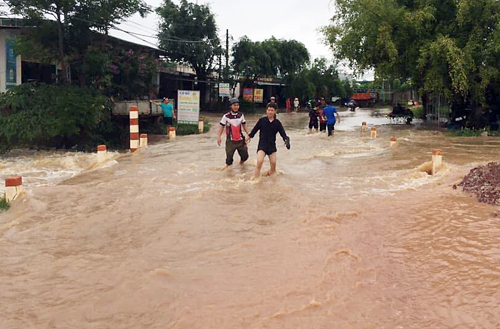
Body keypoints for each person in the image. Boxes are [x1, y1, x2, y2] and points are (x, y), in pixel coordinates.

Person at [247, 102, 290, 179]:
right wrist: (249, 137)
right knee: (259, 162)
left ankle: (271, 179)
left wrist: (286, 140)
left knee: (273, 164)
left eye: (272, 110)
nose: (270, 112)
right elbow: (254, 130)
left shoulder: (277, 123)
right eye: (269, 110)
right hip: (262, 145)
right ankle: (255, 178)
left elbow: (283, 134)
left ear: (275, 111)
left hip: (272, 146)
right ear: (266, 111)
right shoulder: (262, 120)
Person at [217, 98, 250, 167]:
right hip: (230, 141)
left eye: (237, 105)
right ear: (231, 106)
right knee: (229, 160)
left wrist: (249, 134)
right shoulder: (226, 116)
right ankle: (229, 172)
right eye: (234, 105)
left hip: (240, 140)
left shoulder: (241, 115)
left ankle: (241, 165)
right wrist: (219, 137)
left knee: (245, 156)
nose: (236, 107)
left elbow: (244, 125)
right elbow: (221, 126)